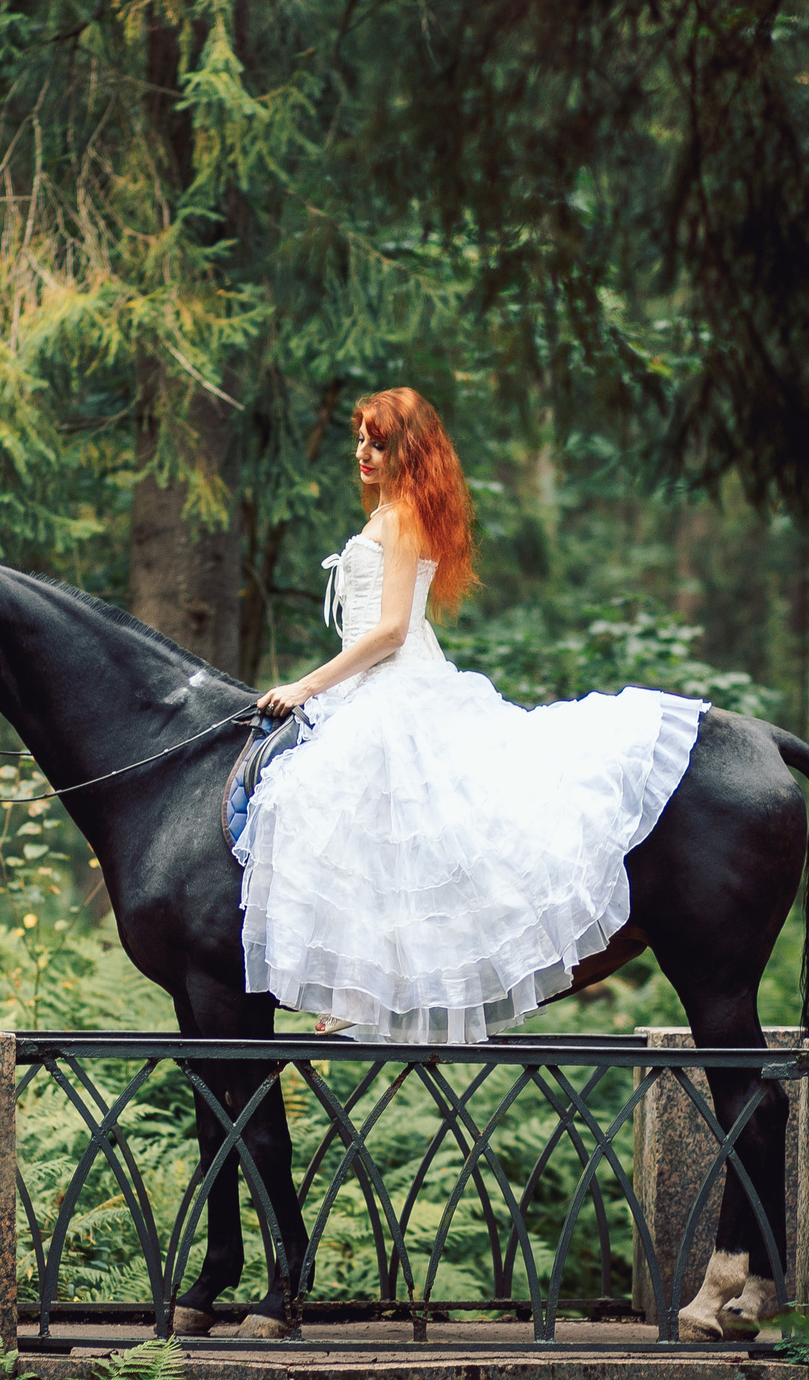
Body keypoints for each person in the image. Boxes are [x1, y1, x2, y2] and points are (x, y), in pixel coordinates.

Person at [235, 387, 709, 1043]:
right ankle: (362, 990)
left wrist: (306, 685)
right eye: (362, 439)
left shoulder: (400, 519)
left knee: (354, 813)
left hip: (397, 682)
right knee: (352, 827)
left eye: (379, 442)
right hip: (371, 687)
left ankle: (369, 992)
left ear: (407, 450)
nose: (363, 453)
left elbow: (393, 630)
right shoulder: (391, 514)